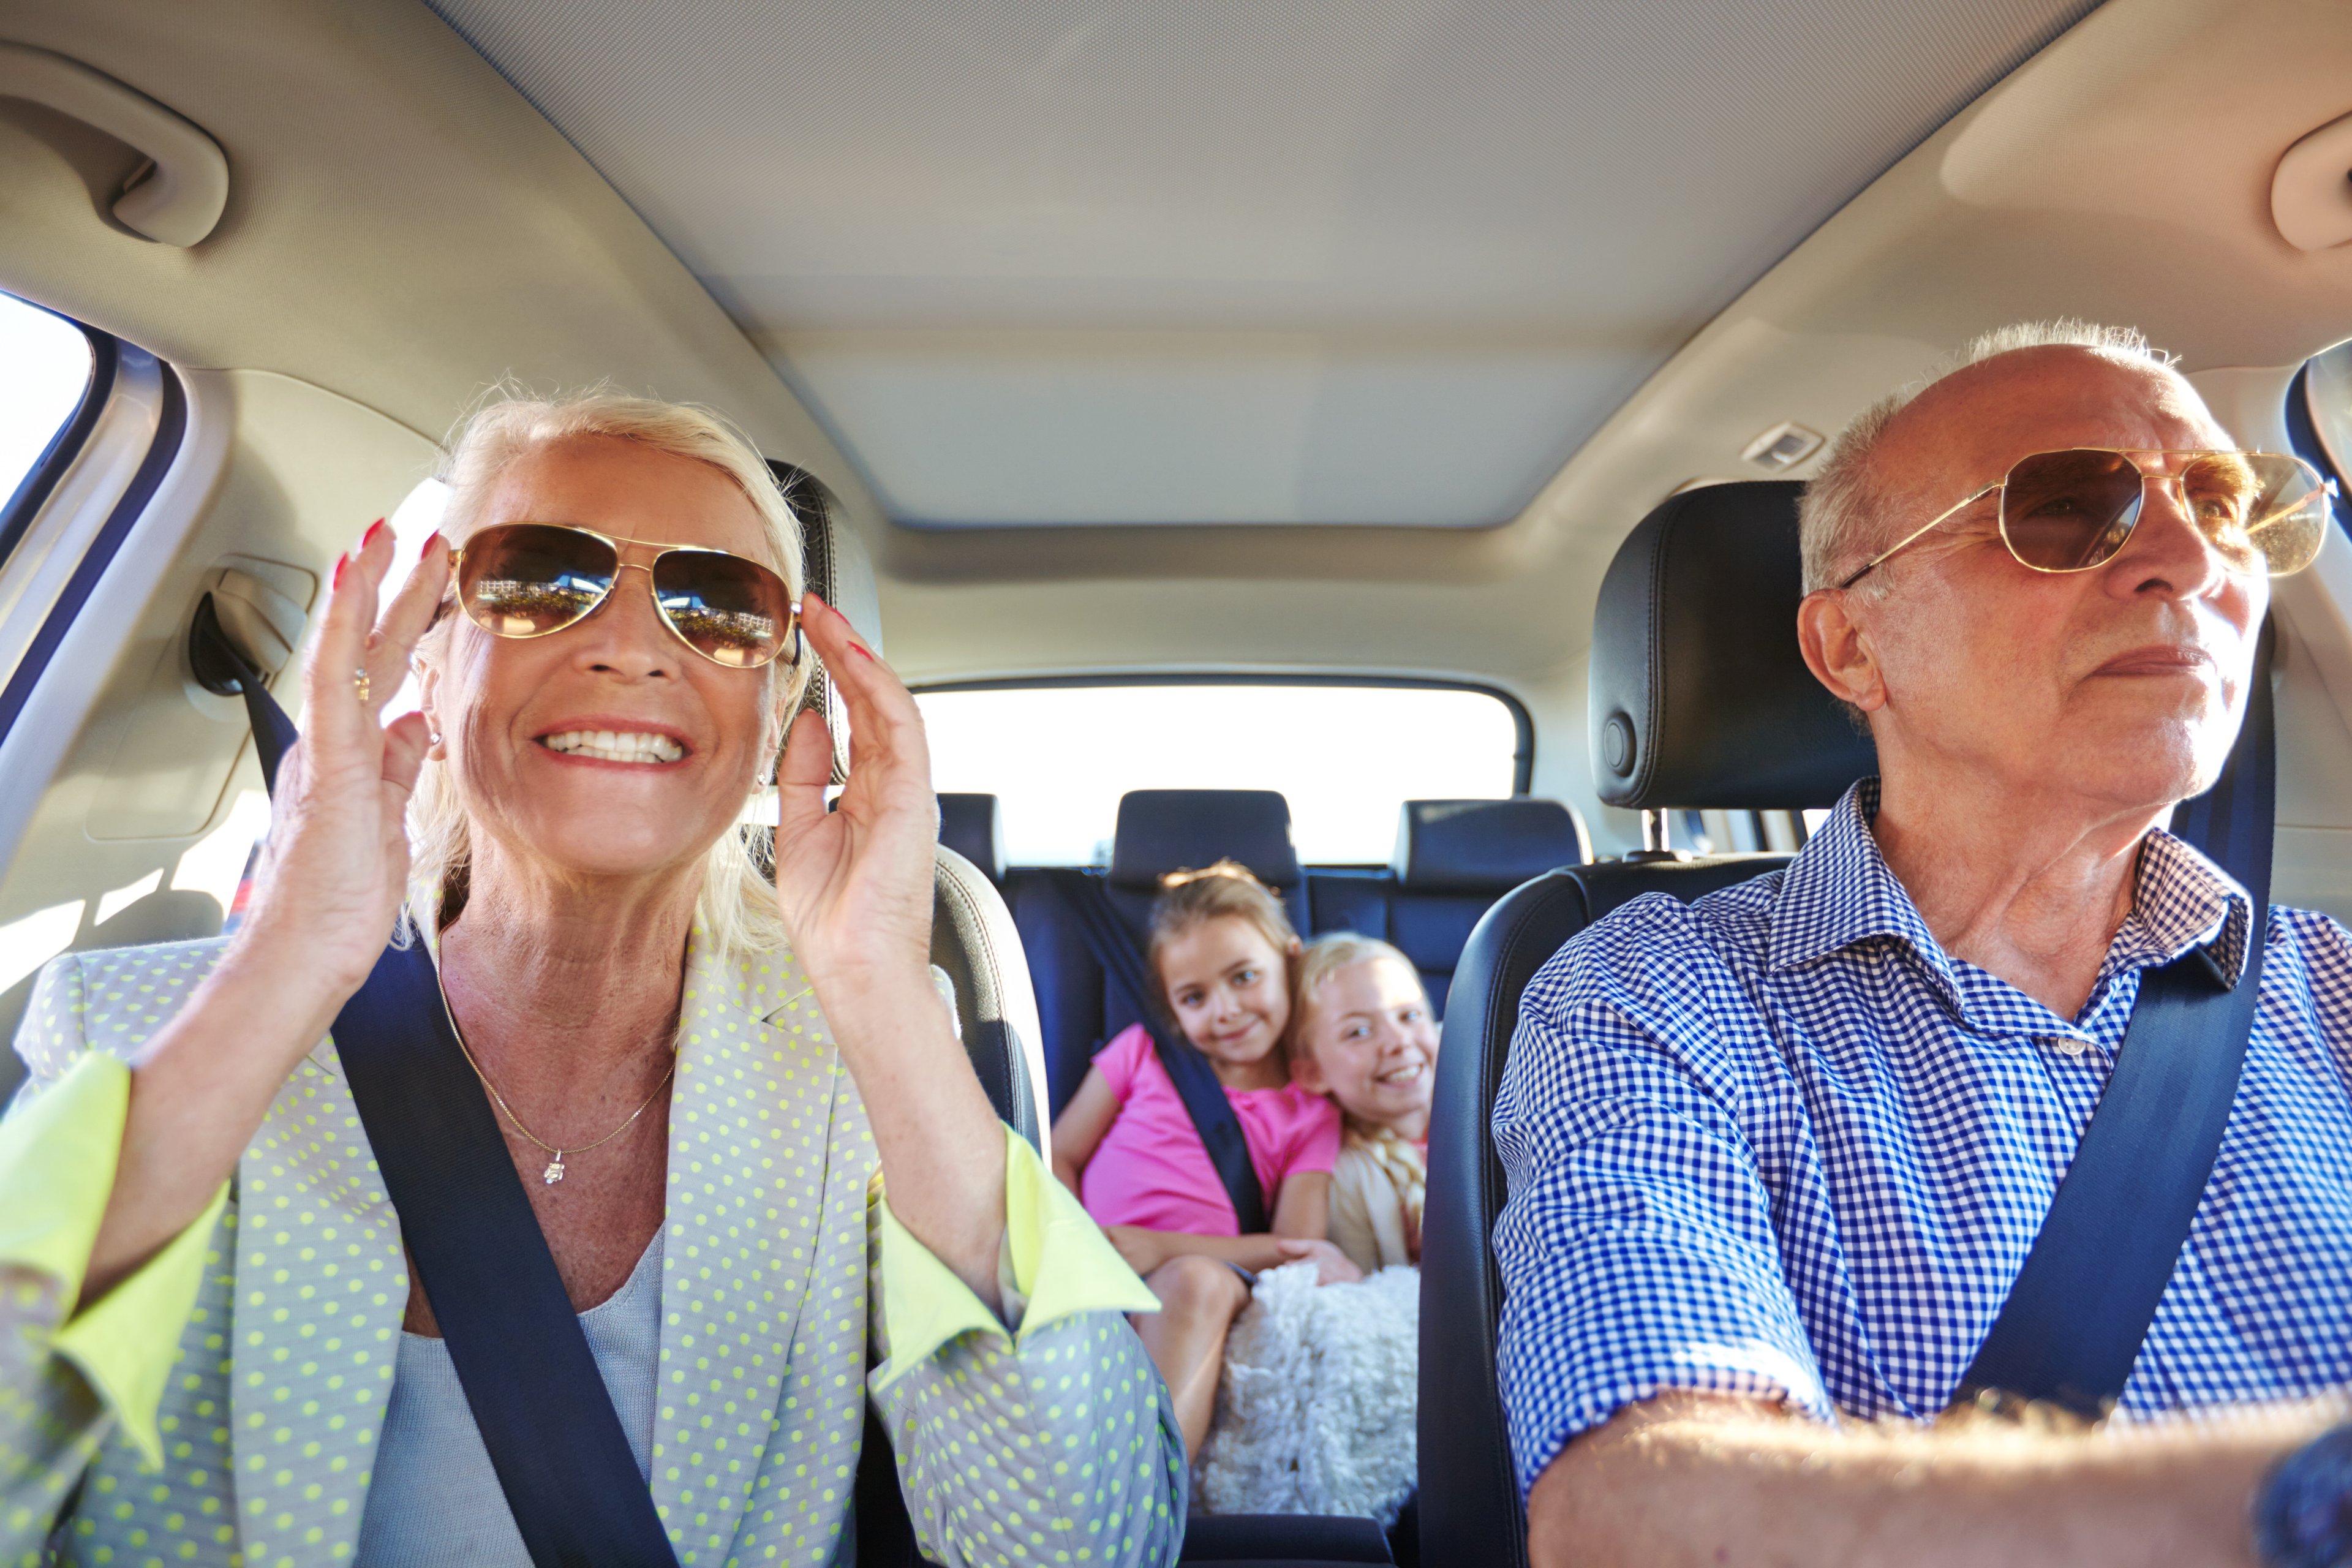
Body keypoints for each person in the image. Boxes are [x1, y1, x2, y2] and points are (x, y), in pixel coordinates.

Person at [0, 391, 1185, 1568]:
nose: (628, 645)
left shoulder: (860, 1067)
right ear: (435, 646)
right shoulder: (139, 1029)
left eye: (717, 603)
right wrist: (288, 966)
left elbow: (1087, 1550)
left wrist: (880, 989)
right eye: (536, 578)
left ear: (780, 703)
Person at [1491, 322, 2352, 1568]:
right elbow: (1639, 1510)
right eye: (2065, 509)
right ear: (1852, 644)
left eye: (2229, 505)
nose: (2190, 559)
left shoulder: (2331, 986)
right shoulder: (1651, 994)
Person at [1051, 861, 1355, 1457]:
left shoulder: (1309, 1110)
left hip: (1206, 1269)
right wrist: (1076, 1245)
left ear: (1290, 961)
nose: (1224, 1010)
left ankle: (1144, 1501)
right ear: (1171, 1008)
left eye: (1244, 977)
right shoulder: (1141, 1053)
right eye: (1194, 997)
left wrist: (1166, 1249)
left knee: (1191, 1284)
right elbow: (1061, 1153)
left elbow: (1296, 1245)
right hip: (1096, 1256)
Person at [1291, 933, 1436, 1275]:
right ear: (1312, 1073)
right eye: (1358, 1032)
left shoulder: (1497, 1102)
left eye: (1409, 1016)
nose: (1398, 1042)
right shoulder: (1346, 1179)